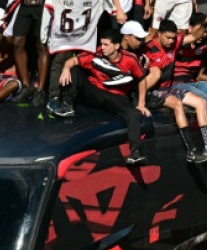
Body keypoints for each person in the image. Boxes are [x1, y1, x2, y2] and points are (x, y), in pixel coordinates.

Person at [57, 29, 149, 164]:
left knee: (132, 114)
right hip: (95, 93)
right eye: (102, 44)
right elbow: (73, 61)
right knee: (74, 70)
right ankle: (66, 104)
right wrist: (66, 68)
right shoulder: (96, 54)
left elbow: (141, 79)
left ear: (116, 46)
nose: (102, 48)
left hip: (116, 97)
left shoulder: (130, 59)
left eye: (106, 45)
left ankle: (135, 152)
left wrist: (141, 103)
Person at [143, 19, 207, 162]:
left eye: (173, 38)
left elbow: (195, 36)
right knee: (178, 105)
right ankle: (191, 150)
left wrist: (206, 25)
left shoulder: (174, 43)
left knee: (201, 102)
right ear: (159, 34)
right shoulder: (148, 50)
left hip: (170, 88)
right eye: (168, 38)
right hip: (154, 92)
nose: (171, 41)